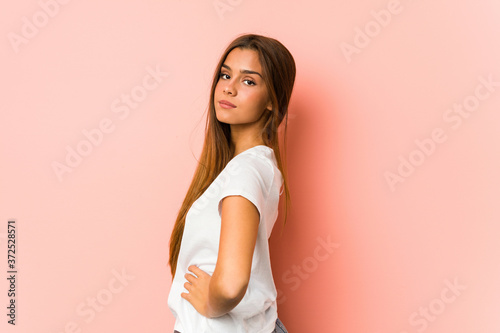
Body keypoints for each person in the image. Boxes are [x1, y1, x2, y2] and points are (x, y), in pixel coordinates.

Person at [167, 33, 296, 333]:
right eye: (226, 74)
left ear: (271, 101)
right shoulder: (252, 167)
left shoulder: (245, 171)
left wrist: (213, 302)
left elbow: (231, 284)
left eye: (249, 81)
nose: (229, 87)